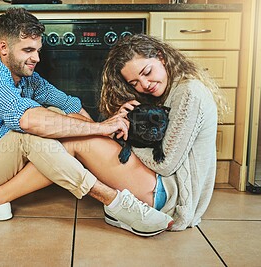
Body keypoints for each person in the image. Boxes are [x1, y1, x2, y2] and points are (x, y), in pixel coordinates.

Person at [0, 7, 173, 237]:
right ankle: (116, 202)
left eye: (38, 50)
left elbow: (69, 104)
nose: (36, 58)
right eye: (28, 50)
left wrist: (103, 142)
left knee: (54, 111)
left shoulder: (28, 79)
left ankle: (116, 196)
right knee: (32, 130)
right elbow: (28, 120)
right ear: (4, 47)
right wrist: (101, 127)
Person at [95, 34, 228, 230]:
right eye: (134, 83)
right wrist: (122, 122)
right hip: (159, 185)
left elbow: (164, 164)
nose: (144, 84)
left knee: (80, 140)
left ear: (161, 57)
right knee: (77, 129)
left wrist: (125, 139)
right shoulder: (166, 91)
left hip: (171, 199)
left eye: (147, 71)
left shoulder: (188, 92)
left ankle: (113, 201)